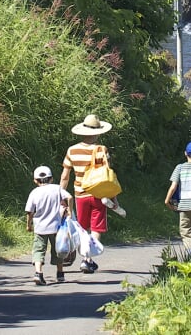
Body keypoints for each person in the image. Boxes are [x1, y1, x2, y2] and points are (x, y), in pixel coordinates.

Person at [60, 113, 124, 274]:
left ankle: (84, 258)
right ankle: (87, 260)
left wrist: (61, 195)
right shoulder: (101, 150)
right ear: (97, 132)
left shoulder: (72, 150)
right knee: (96, 227)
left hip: (79, 195)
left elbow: (65, 175)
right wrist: (114, 199)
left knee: (82, 227)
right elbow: (107, 176)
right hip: (98, 194)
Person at [25, 165, 72, 286]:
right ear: (51, 179)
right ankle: (60, 274)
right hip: (56, 227)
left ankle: (38, 273)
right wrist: (70, 211)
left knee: (38, 250)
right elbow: (69, 197)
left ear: (35, 180)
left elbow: (30, 211)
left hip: (40, 228)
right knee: (58, 250)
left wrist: (28, 225)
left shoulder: (34, 192)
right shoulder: (57, 189)